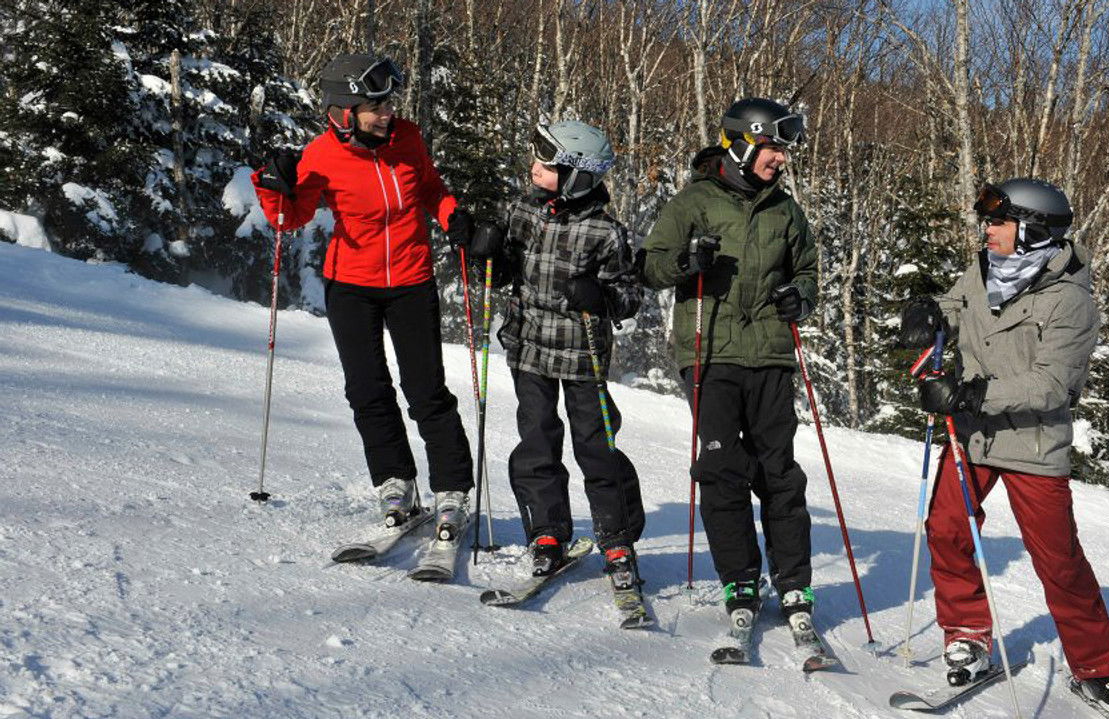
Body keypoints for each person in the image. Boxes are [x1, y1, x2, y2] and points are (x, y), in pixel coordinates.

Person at [901, 178, 1109, 718]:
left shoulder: (1070, 301)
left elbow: (1053, 385)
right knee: (946, 528)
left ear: (1031, 230)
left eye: (997, 222)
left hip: (1032, 442)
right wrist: (929, 313)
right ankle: (968, 634)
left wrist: (969, 392)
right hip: (972, 435)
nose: (986, 231)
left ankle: (1098, 669)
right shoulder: (984, 270)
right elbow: (956, 303)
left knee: (1057, 560)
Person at [252, 53, 473, 533]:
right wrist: (273, 186)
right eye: (375, 106)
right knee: (368, 390)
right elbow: (291, 219)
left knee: (426, 390)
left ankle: (452, 490)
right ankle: (395, 483)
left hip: (412, 281)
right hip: (351, 286)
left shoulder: (408, 138)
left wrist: (452, 214)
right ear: (342, 111)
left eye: (388, 102)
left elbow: (431, 188)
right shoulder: (321, 155)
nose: (387, 112)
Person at [638, 98, 819, 624]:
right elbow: (650, 266)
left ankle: (793, 584)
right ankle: (739, 576)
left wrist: (799, 297)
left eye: (783, 151)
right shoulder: (694, 200)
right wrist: (686, 262)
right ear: (742, 142)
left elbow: (807, 270)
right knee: (721, 469)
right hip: (710, 353)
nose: (780, 159)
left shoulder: (785, 210)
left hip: (769, 355)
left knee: (778, 471)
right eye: (773, 147)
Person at [458, 120, 645, 591]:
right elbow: (500, 274)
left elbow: (628, 297)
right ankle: (547, 532)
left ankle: (617, 537)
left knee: (596, 446)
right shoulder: (522, 210)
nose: (534, 168)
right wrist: (485, 252)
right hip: (529, 349)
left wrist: (599, 297)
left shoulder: (606, 232)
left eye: (546, 164)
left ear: (578, 175)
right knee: (537, 441)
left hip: (584, 356)